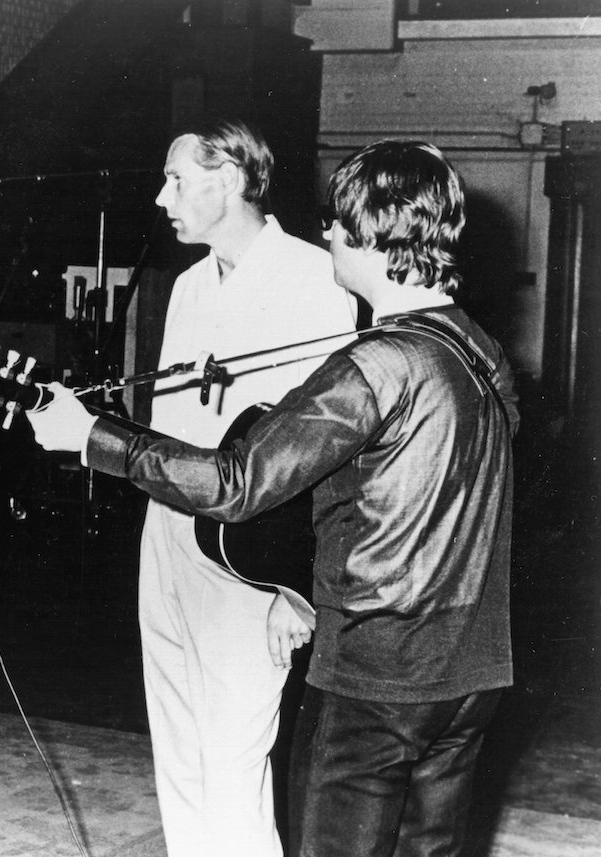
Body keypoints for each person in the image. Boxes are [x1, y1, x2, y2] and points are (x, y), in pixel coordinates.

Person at [30, 139, 517, 857]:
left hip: (374, 675)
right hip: (470, 671)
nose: (327, 236)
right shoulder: (482, 349)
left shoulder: (374, 363)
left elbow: (236, 481)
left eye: (339, 225)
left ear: (374, 238)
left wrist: (92, 436)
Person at [126, 119, 359, 856]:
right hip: (167, 536)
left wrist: (296, 587)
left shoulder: (315, 278)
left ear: (227, 180)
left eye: (177, 180)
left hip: (250, 556)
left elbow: (325, 454)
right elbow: (167, 427)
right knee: (180, 746)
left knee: (232, 757)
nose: (163, 196)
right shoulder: (190, 284)